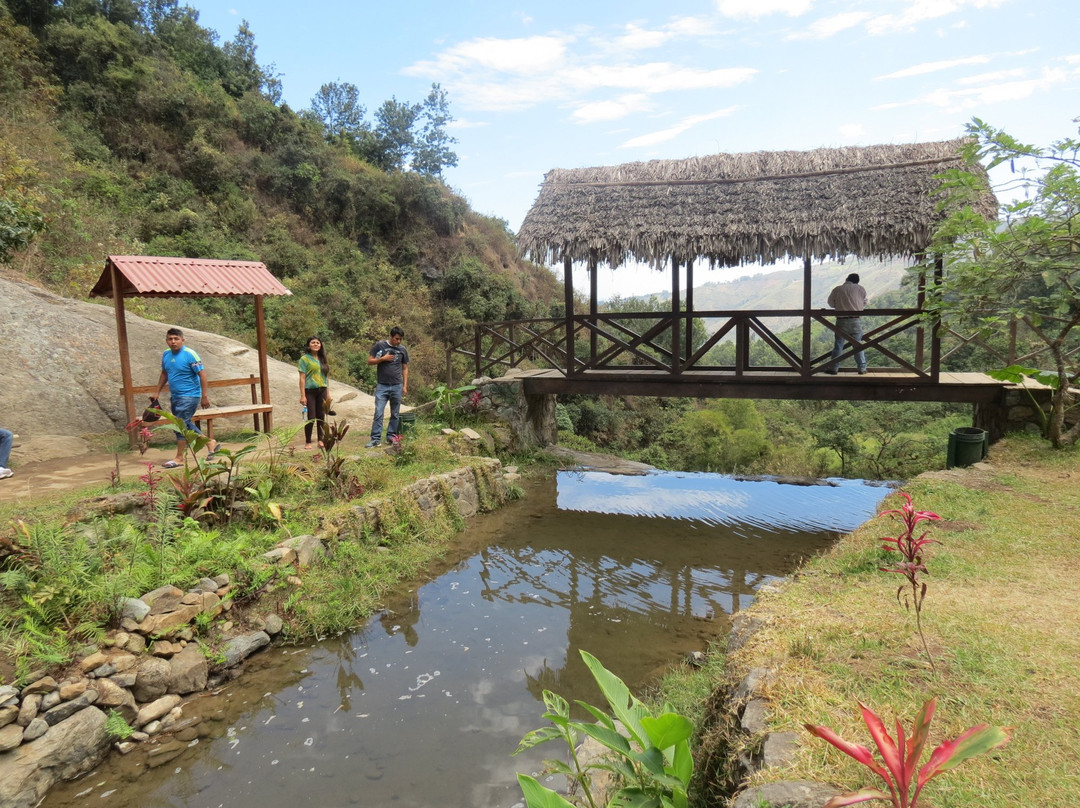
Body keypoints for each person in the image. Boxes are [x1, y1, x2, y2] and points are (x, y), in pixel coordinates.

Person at [153, 328, 219, 467]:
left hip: (190, 395)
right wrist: (157, 392)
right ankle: (209, 442)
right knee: (181, 424)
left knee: (180, 423)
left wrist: (204, 396)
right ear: (166, 341)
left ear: (183, 340)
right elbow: (164, 373)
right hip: (175, 396)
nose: (173, 342)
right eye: (170, 339)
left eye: (176, 339)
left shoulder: (190, 354)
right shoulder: (166, 354)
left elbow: (202, 375)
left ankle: (179, 458)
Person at [366, 326, 409, 448]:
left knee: (395, 413)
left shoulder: (402, 350)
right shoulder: (380, 346)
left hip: (397, 385)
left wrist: (404, 386)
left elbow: (405, 368)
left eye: (400, 339)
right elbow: (369, 361)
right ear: (391, 337)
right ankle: (375, 439)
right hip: (382, 386)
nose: (399, 341)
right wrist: (382, 359)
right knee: (379, 412)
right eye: (396, 339)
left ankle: (391, 436)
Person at [826, 273, 868, 375]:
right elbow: (863, 302)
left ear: (847, 279)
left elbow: (830, 303)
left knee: (839, 345)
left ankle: (834, 368)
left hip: (841, 320)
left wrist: (840, 304)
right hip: (855, 320)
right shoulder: (860, 289)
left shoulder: (838, 289)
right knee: (858, 345)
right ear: (857, 281)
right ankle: (862, 368)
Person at [298, 336, 330, 450]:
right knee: (311, 417)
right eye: (313, 342)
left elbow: (326, 378)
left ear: (320, 345)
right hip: (310, 391)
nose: (316, 344)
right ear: (309, 345)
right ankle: (308, 441)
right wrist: (302, 395)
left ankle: (320, 440)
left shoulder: (322, 359)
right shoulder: (304, 359)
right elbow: (302, 378)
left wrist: (328, 394)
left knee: (321, 416)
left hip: (322, 390)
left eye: (318, 342)